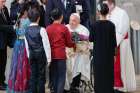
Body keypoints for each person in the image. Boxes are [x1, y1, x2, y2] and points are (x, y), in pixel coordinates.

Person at [103, 0, 136, 93]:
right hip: (111, 44)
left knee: (119, 67)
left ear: (112, 4)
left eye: (106, 5)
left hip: (120, 43)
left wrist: (112, 43)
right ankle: (112, 85)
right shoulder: (107, 14)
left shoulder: (122, 13)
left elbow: (121, 30)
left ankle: (120, 86)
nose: (104, 8)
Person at [46, 8, 75, 93]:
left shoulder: (48, 28)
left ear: (51, 17)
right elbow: (69, 43)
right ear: (61, 17)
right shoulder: (64, 28)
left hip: (51, 56)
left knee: (54, 76)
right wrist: (74, 43)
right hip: (61, 56)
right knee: (61, 77)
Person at [89, 3, 117, 93]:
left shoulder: (94, 25)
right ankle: (109, 90)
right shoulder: (111, 25)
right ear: (108, 12)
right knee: (108, 73)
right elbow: (114, 42)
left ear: (98, 12)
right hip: (109, 54)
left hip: (98, 54)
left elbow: (91, 39)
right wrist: (114, 55)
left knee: (98, 73)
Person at [25, 6, 51, 93]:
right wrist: (49, 58)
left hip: (31, 54)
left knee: (33, 75)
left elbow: (26, 44)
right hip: (40, 55)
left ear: (29, 18)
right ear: (39, 18)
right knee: (41, 76)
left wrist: (29, 55)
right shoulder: (42, 29)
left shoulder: (26, 30)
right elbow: (46, 45)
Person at [7, 4, 31, 93]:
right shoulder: (28, 20)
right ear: (25, 11)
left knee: (16, 65)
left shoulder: (18, 19)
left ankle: (15, 86)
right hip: (24, 44)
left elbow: (16, 30)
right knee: (23, 64)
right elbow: (26, 33)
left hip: (17, 44)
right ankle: (23, 87)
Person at [65, 13, 90, 92]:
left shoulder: (84, 29)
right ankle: (66, 85)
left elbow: (86, 45)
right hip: (67, 54)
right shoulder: (65, 28)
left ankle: (75, 84)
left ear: (79, 21)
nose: (71, 22)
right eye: (70, 20)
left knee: (79, 60)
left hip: (80, 54)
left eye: (74, 21)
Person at [0, 0, 16, 90]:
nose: (4, 4)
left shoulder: (5, 9)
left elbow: (8, 21)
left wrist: (15, 24)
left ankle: (2, 82)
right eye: (2, 2)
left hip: (4, 41)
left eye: (4, 2)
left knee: (3, 62)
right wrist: (11, 27)